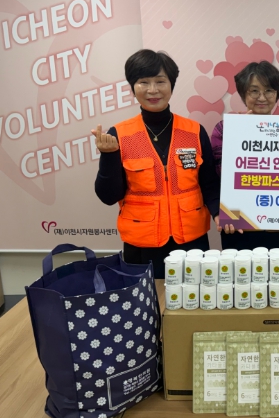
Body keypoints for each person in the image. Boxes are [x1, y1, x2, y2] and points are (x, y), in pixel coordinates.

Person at [93, 49, 220, 279]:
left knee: (195, 297)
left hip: (191, 241)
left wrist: (220, 213)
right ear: (133, 87)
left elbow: (210, 183)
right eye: (144, 82)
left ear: (171, 85)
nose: (153, 90)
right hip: (142, 245)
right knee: (149, 300)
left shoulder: (194, 131)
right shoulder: (119, 134)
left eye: (160, 81)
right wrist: (108, 156)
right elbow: (108, 196)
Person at [212, 61, 279, 276]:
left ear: (277, 94)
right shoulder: (225, 129)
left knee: (277, 286)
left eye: (269, 91)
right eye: (254, 91)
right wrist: (219, 213)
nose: (262, 97)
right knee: (238, 285)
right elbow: (217, 176)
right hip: (238, 227)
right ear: (243, 94)